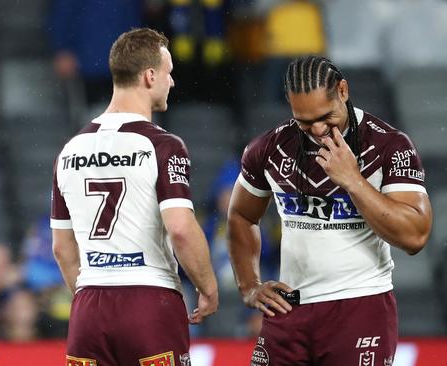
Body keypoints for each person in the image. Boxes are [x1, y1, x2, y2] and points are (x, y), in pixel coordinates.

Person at [227, 55, 432, 365]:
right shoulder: (269, 148)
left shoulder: (390, 145)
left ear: (343, 91)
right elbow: (241, 215)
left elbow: (415, 236)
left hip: (360, 307)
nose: (318, 129)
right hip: (289, 310)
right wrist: (249, 285)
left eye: (326, 116)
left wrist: (353, 181)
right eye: (305, 121)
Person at [51, 28, 218, 365]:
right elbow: (181, 229)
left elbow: (61, 247)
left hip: (89, 310)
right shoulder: (163, 146)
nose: (171, 83)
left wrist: (90, 296)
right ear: (149, 75)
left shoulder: (69, 150)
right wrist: (208, 286)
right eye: (169, 73)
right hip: (149, 302)